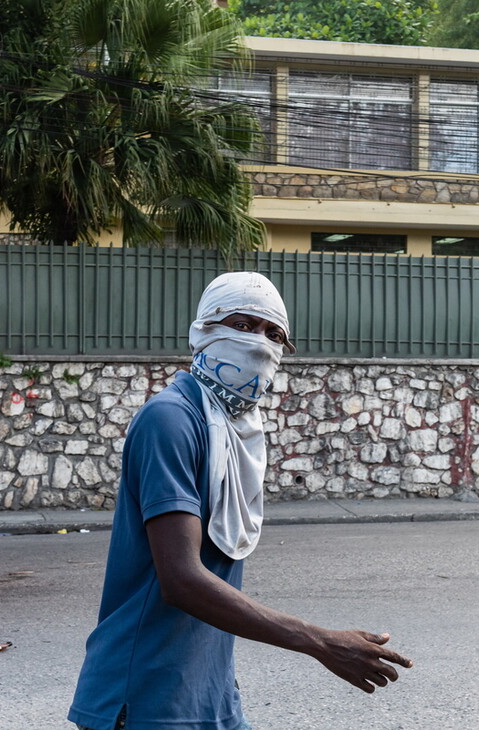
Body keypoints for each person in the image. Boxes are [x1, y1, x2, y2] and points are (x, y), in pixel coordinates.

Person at [68, 272, 412, 730]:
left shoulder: (237, 432)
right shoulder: (171, 420)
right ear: (205, 330)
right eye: (243, 325)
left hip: (208, 696)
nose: (260, 343)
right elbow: (182, 579)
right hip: (144, 698)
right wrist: (321, 642)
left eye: (274, 334)